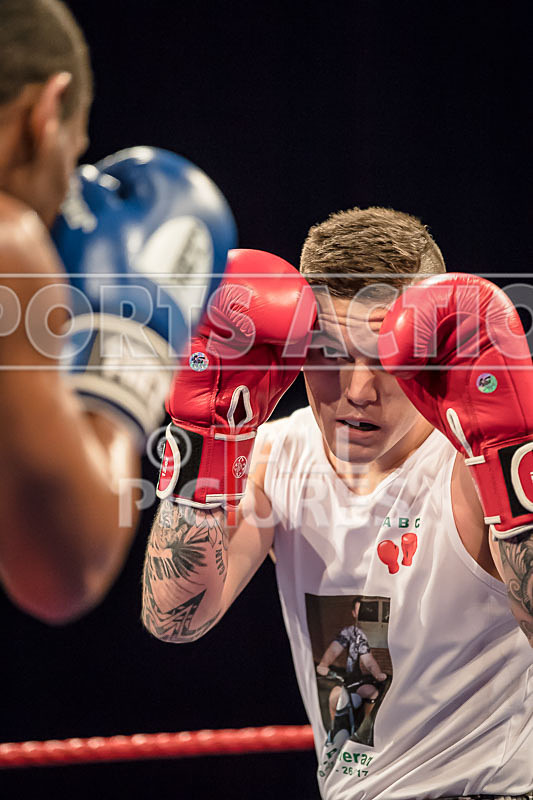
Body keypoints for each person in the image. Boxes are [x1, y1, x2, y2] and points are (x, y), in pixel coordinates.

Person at [143, 207, 533, 800]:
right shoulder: (275, 457)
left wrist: (513, 463)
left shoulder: (471, 468)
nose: (357, 390)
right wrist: (206, 440)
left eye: (384, 357)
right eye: (327, 352)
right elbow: (174, 617)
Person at [0, 0, 235, 624]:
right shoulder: (9, 242)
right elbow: (65, 569)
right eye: (71, 154)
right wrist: (130, 350)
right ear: (45, 113)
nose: (61, 201)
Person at [316, 596, 387, 722]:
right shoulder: (350, 632)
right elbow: (334, 649)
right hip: (350, 679)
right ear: (354, 613)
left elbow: (368, 660)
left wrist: (377, 673)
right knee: (334, 698)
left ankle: (367, 734)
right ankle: (335, 735)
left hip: (370, 680)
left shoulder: (373, 633)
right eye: (359, 611)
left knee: (373, 694)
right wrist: (324, 664)